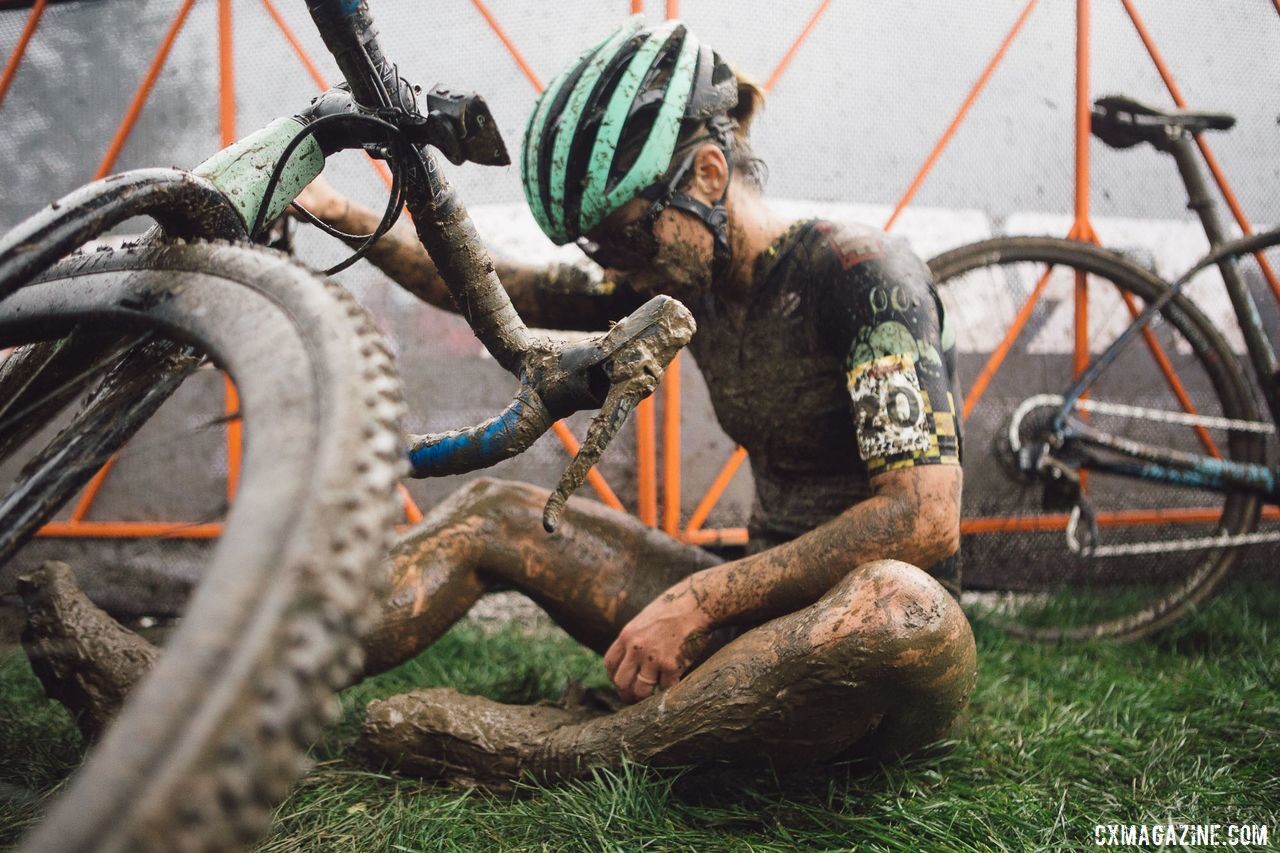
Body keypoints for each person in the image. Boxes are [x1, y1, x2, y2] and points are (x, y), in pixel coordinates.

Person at [22, 17, 975, 786]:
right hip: (743, 623)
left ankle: (564, 752)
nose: (613, 265)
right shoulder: (687, 280)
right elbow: (513, 293)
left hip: (856, 646)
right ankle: (191, 691)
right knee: (494, 515)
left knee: (898, 606)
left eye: (620, 239)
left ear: (708, 178)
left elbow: (923, 519)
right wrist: (357, 221)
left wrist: (699, 595)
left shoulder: (861, 274)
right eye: (600, 251)